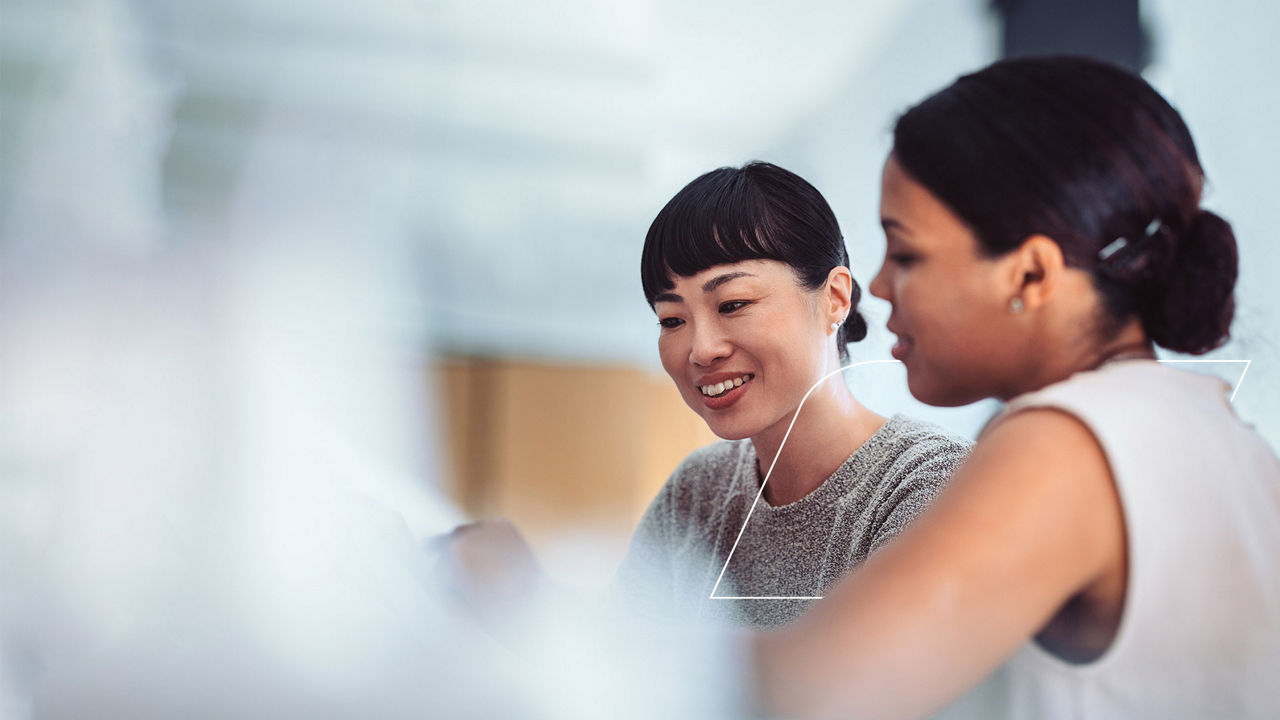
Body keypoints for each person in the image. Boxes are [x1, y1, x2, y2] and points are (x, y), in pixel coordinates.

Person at [752, 56, 1280, 719]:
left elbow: (806, 693)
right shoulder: (1221, 431)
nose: (877, 286)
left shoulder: (1067, 440)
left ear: (1031, 275)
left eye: (907, 253)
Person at [614, 161, 970, 628]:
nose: (701, 350)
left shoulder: (930, 486)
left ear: (835, 298)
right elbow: (613, 673)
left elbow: (877, 690)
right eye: (671, 320)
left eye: (734, 304)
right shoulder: (696, 492)